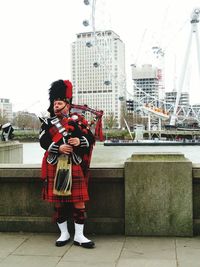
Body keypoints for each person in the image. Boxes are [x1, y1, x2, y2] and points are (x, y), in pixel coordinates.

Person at [39, 79, 97, 249]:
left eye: (59, 103)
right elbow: (43, 141)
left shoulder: (76, 122)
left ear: (67, 104)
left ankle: (79, 236)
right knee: (58, 202)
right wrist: (58, 147)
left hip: (73, 164)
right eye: (54, 103)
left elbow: (89, 138)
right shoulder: (48, 123)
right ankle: (64, 233)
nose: (56, 106)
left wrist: (79, 142)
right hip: (55, 164)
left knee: (79, 202)